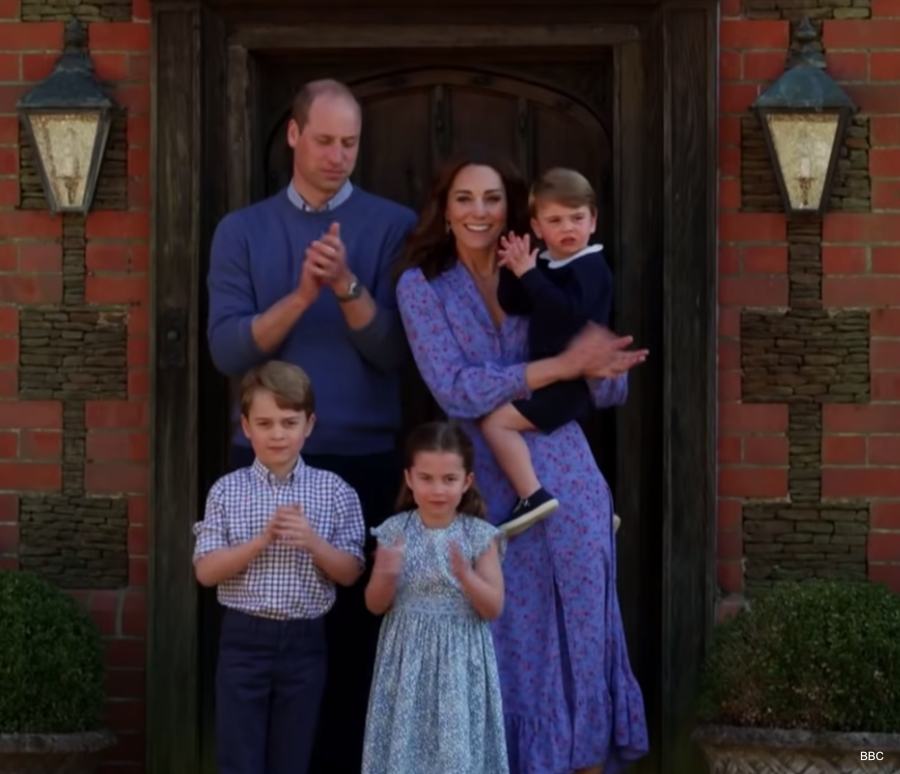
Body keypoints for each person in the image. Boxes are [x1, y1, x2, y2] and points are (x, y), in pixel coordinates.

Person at [393, 149, 650, 774]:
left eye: (491, 199)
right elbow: (455, 388)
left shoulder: (553, 270)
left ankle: (587, 757)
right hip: (485, 489)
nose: (478, 211)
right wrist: (563, 366)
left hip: (570, 479)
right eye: (464, 199)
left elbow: (605, 385)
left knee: (584, 639)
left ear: (516, 212)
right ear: (445, 212)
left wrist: (602, 368)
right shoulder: (421, 286)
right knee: (505, 643)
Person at [205, 79, 417, 774]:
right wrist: (300, 295)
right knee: (258, 653)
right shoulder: (242, 231)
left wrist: (347, 286)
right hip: (264, 462)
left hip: (361, 460)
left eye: (349, 143)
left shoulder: (392, 225)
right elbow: (229, 350)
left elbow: (394, 353)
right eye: (323, 140)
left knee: (354, 651)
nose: (337, 156)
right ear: (293, 135)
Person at [192, 360, 366, 774]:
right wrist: (259, 542)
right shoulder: (227, 491)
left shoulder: (335, 491)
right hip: (243, 638)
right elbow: (205, 571)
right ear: (246, 426)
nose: (277, 434)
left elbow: (351, 571)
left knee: (293, 757)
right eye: (265, 423)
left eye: (289, 422)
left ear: (309, 424)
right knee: (239, 758)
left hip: (306, 642)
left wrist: (311, 542)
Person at [361, 421, 509, 774]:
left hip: (460, 661)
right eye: (426, 478)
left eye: (448, 479)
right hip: (407, 660)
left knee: (456, 754)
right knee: (405, 749)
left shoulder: (479, 536)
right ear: (409, 479)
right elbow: (374, 604)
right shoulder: (395, 531)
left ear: (466, 482)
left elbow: (493, 607)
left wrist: (467, 577)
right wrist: (385, 573)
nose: (437, 489)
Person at [482, 167, 614, 537]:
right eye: (555, 220)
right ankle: (592, 502)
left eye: (577, 218)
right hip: (553, 380)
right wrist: (514, 267)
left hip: (569, 384)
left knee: (496, 422)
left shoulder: (591, 266)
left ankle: (532, 495)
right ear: (538, 228)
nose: (568, 227)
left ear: (593, 221)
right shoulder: (550, 265)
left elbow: (566, 313)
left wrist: (529, 273)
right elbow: (516, 303)